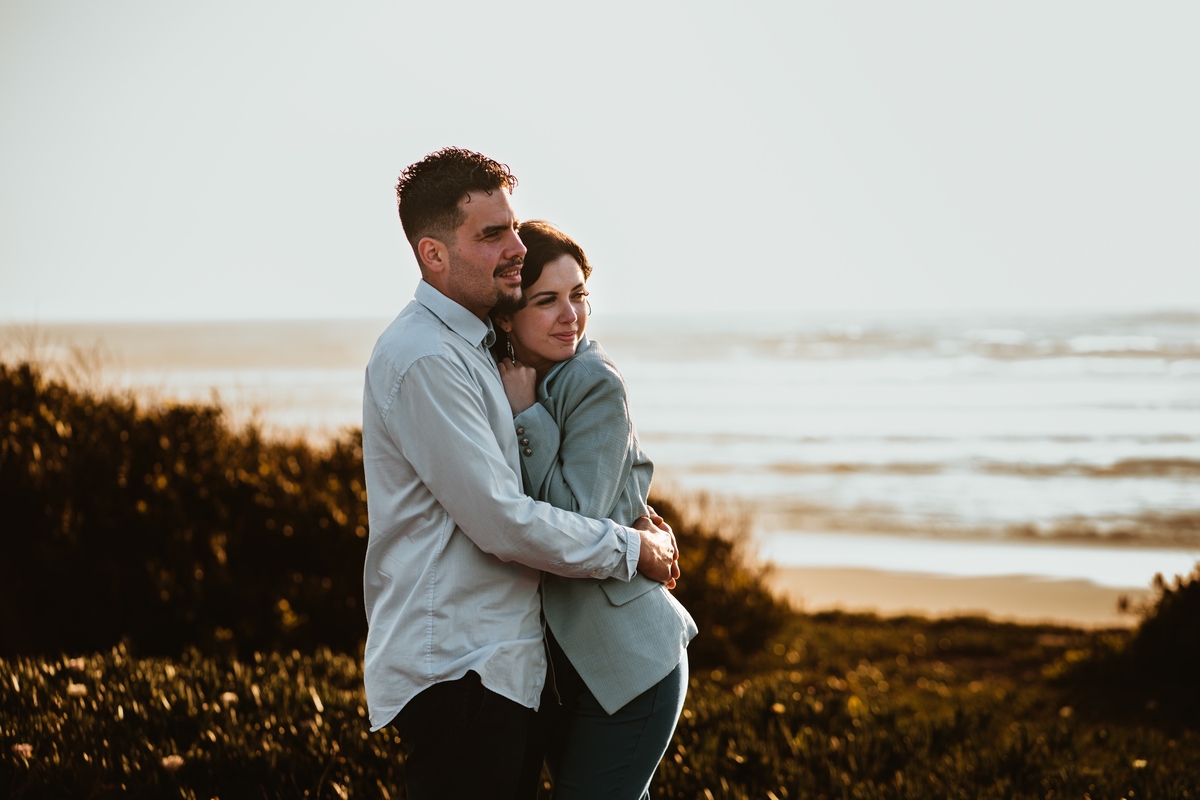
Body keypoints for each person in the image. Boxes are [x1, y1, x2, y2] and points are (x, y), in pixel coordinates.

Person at [360, 148, 680, 800]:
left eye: (511, 226)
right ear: (433, 255)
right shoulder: (427, 358)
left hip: (507, 671)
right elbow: (501, 521)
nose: (515, 246)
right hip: (463, 670)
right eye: (491, 234)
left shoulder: (478, 345)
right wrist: (632, 547)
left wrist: (625, 506)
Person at [491, 220, 698, 800]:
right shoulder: (522, 375)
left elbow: (572, 517)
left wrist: (527, 415)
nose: (571, 315)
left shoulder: (593, 382)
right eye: (547, 300)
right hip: (569, 672)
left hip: (628, 664)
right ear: (507, 315)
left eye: (579, 294)